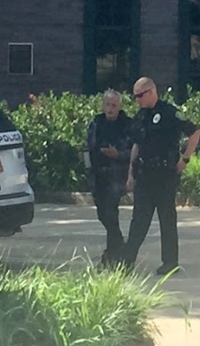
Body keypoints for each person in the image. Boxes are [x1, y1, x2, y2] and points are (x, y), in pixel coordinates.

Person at [121, 77, 200, 275]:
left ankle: (170, 263)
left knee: (167, 220)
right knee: (138, 221)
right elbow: (136, 145)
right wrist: (131, 174)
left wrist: (185, 159)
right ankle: (126, 263)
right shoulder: (140, 117)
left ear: (151, 91)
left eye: (140, 95)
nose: (137, 100)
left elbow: (194, 133)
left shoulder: (169, 112)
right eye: (135, 96)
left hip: (165, 176)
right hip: (144, 175)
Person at [84, 89, 134, 266]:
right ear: (103, 105)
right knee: (103, 215)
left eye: (114, 105)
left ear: (119, 107)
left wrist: (117, 154)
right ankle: (118, 248)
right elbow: (89, 145)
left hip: (117, 174)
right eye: (108, 105)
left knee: (110, 213)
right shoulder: (96, 123)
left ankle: (112, 254)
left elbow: (134, 152)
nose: (110, 108)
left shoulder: (127, 124)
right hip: (98, 175)